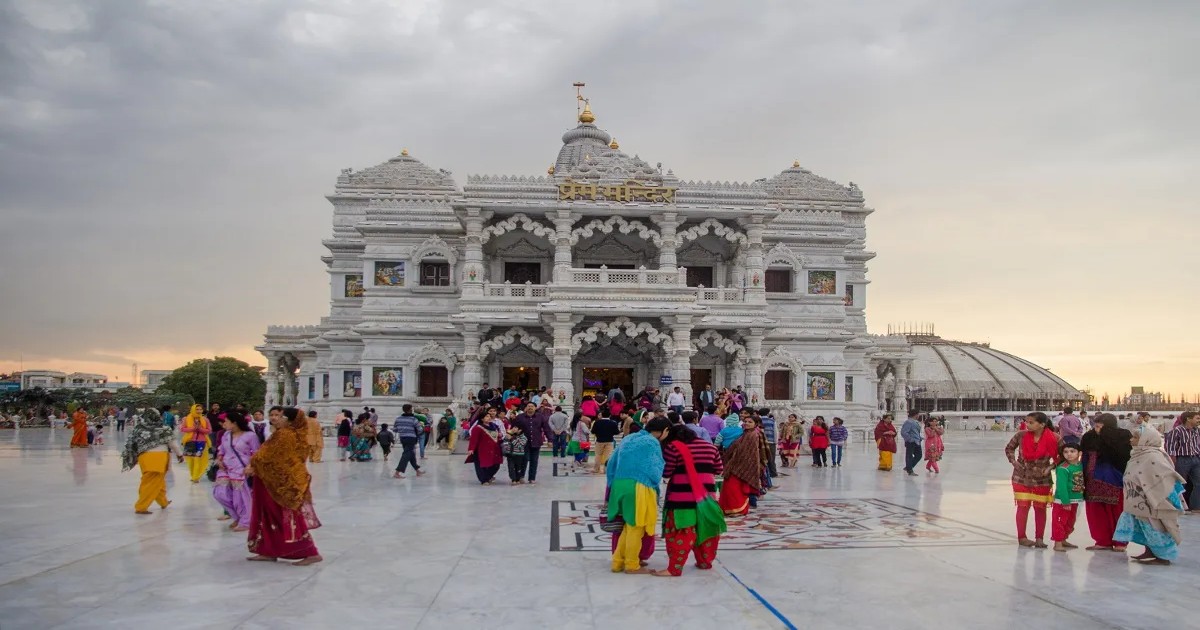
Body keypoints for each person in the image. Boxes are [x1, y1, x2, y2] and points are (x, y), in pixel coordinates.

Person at [245, 406, 323, 565]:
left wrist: (254, 465)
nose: (277, 419)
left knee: (285, 516)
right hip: (270, 480)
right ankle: (268, 550)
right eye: (274, 416)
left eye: (281, 416)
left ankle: (310, 552)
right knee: (268, 515)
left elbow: (272, 459)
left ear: (289, 420)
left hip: (280, 483)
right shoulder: (286, 434)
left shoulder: (285, 435)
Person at [653, 423, 725, 577]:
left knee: (682, 532)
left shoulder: (673, 447)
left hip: (681, 498)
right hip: (707, 498)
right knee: (706, 530)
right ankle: (704, 562)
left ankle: (674, 568)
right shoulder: (711, 447)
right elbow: (719, 469)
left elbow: (667, 472)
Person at [607, 416, 670, 574]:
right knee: (637, 527)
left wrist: (612, 484)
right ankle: (631, 565)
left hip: (620, 484)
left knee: (628, 526)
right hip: (639, 486)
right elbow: (655, 470)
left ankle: (617, 562)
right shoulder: (651, 442)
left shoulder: (629, 438)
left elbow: (612, 462)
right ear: (665, 431)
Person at [1114, 425, 1185, 565]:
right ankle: (1150, 550)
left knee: (1154, 527)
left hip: (1152, 501)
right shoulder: (1139, 454)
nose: (1131, 440)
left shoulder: (1153, 456)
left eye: (1135, 437)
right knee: (1144, 526)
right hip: (1139, 501)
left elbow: (1164, 478)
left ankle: (1163, 557)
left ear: (1146, 440)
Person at [1004, 412, 1060, 548]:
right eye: (1026, 422)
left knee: (1040, 508)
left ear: (1042, 424)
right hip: (1021, 476)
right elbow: (1009, 448)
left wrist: (1050, 467)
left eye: (1031, 422)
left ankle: (1039, 538)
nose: (1027, 425)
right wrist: (1013, 462)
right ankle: (1022, 537)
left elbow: (1062, 455)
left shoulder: (1054, 438)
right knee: (1023, 507)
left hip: (1042, 478)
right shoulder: (1021, 435)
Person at [1080, 413, 1132, 551]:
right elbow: (1085, 457)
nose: (1097, 427)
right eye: (1096, 424)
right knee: (1096, 511)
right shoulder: (1089, 437)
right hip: (1092, 479)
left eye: (1101, 425)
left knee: (1117, 510)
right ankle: (1102, 540)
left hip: (1114, 478)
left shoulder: (1122, 436)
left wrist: (1104, 435)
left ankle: (1120, 542)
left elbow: (1124, 455)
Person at [121, 408, 184, 514]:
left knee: (153, 481)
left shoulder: (138, 428)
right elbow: (173, 444)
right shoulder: (164, 428)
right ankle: (141, 506)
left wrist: (132, 457)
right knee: (151, 483)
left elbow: (131, 443)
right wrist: (180, 455)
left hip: (144, 457)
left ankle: (163, 502)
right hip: (159, 457)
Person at [213, 412, 261, 531]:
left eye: (226, 421)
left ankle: (246, 521)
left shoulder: (250, 436)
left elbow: (257, 453)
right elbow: (221, 449)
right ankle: (236, 516)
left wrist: (251, 466)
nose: (224, 424)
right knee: (220, 493)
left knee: (242, 497)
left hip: (242, 469)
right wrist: (219, 459)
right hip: (226, 467)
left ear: (234, 423)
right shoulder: (226, 435)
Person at [718, 415, 764, 516]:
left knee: (734, 489)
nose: (746, 423)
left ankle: (738, 509)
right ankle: (729, 509)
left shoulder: (753, 435)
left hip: (742, 467)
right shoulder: (744, 434)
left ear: (756, 424)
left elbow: (748, 454)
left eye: (750, 422)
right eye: (745, 421)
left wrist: (738, 465)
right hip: (734, 466)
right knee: (729, 488)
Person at [1163, 411, 1200, 513]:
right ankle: (1180, 506)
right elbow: (1171, 447)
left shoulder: (1196, 430)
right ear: (1188, 419)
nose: (1198, 420)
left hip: (1195, 459)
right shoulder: (1177, 431)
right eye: (1197, 418)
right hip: (1183, 460)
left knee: (1198, 483)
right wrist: (1172, 461)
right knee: (1181, 484)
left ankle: (1196, 507)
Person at [1051, 442, 1084, 552]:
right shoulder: (1063, 468)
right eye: (1066, 452)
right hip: (1063, 501)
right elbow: (1061, 486)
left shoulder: (1080, 465)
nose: (1069, 454)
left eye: (1072, 451)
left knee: (1070, 521)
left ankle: (1064, 539)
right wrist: (1065, 502)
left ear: (1079, 453)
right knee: (1060, 521)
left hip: (1076, 500)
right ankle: (1058, 543)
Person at [513, 403, 555, 484]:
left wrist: (550, 440)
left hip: (536, 441)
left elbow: (546, 429)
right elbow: (514, 428)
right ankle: (521, 476)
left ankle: (532, 478)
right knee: (523, 459)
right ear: (526, 408)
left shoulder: (540, 417)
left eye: (532, 406)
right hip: (523, 442)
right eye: (528, 406)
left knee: (534, 460)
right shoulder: (520, 417)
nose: (530, 408)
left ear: (535, 408)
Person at [467, 407, 504, 485]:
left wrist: (500, 435)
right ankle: (484, 480)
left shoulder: (494, 426)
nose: (489, 417)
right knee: (482, 465)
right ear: (482, 419)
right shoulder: (477, 428)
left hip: (494, 449)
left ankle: (488, 477)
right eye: (487, 416)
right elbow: (474, 439)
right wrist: (471, 449)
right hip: (482, 450)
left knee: (496, 465)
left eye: (489, 416)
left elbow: (498, 435)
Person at [180, 404, 212, 483]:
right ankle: (193, 475)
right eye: (197, 409)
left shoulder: (205, 420)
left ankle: (196, 477)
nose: (199, 411)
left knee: (197, 459)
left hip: (201, 441)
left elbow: (209, 430)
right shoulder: (186, 419)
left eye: (200, 409)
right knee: (190, 460)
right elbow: (182, 429)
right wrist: (193, 428)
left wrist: (200, 429)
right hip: (190, 441)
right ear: (193, 409)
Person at [392, 405, 425, 479]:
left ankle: (417, 470)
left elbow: (395, 429)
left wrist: (402, 429)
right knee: (406, 455)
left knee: (411, 454)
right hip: (411, 438)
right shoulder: (413, 419)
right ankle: (397, 472)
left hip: (403, 438)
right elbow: (420, 429)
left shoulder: (398, 419)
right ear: (410, 410)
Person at [758, 408, 780, 477]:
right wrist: (776, 441)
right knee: (771, 458)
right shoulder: (772, 421)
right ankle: (773, 473)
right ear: (767, 413)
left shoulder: (758, 421)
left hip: (760, 442)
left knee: (761, 458)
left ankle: (763, 474)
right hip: (770, 441)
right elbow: (775, 432)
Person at [901, 410, 924, 476]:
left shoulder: (915, 422)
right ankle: (910, 470)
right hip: (911, 442)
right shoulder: (908, 422)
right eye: (918, 414)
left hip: (917, 441)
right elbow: (904, 432)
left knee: (919, 455)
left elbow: (915, 432)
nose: (918, 415)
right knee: (909, 456)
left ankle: (908, 467)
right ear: (916, 414)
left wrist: (919, 438)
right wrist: (910, 439)